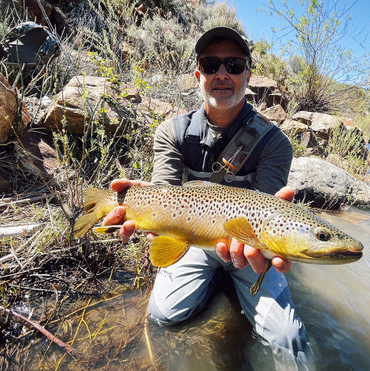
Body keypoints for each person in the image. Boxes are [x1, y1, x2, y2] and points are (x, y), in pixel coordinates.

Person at [103, 27, 310, 367]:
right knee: (164, 316)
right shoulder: (172, 131)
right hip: (192, 239)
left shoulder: (274, 143)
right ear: (198, 75)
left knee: (289, 339)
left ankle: (229, 282)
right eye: (211, 65)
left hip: (247, 248)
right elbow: (164, 191)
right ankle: (217, 282)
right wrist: (134, 205)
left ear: (248, 74)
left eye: (233, 64)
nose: (222, 74)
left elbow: (267, 213)